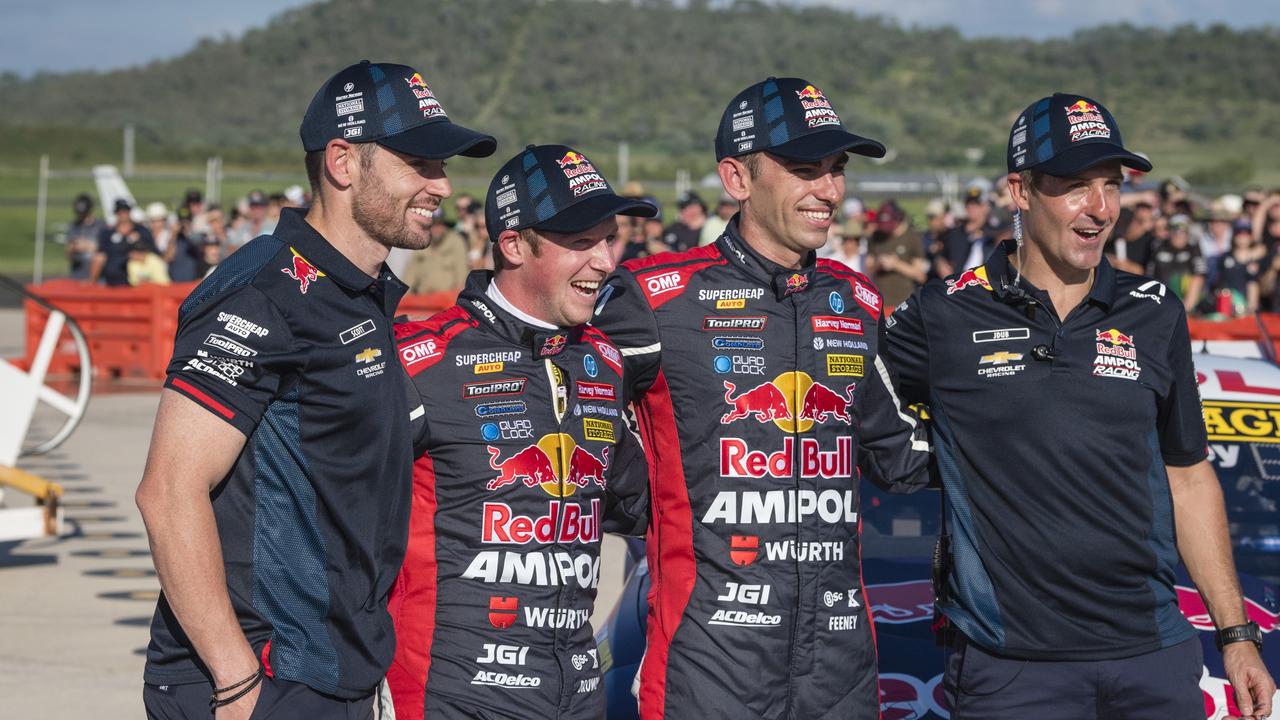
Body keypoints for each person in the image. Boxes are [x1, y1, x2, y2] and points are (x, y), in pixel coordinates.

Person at [885, 93, 1275, 720]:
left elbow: (1189, 475)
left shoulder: (1155, 313)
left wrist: (1235, 637)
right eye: (1075, 186)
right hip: (1008, 668)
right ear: (1020, 190)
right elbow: (847, 419)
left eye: (1111, 185)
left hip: (1153, 657)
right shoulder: (942, 316)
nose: (1100, 208)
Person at [134, 60, 495, 719]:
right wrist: (237, 677)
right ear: (343, 162)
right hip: (263, 678)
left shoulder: (361, 298)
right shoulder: (264, 293)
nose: (441, 185)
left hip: (333, 673)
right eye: (420, 161)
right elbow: (167, 491)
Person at [594, 76, 931, 720]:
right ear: (737, 179)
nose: (830, 190)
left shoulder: (855, 300)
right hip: (709, 662)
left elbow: (898, 453)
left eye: (836, 170)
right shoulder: (656, 297)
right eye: (807, 169)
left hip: (840, 666)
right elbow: (570, 422)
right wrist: (655, 508)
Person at [385, 143, 654, 720]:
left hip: (577, 692)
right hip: (452, 695)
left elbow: (644, 504)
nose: (606, 261)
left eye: (609, 239)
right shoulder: (420, 362)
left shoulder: (604, 362)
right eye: (582, 243)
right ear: (513, 244)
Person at [864, 199, 927, 307]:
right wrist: (879, 264)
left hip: (904, 303)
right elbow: (868, 268)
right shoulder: (876, 237)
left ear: (898, 220)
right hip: (879, 302)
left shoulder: (912, 238)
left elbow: (920, 275)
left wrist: (896, 264)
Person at [400, 210, 470, 293]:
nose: (437, 229)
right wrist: (402, 298)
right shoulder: (421, 242)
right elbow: (409, 275)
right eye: (434, 225)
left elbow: (462, 275)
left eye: (440, 224)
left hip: (447, 299)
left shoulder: (456, 242)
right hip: (423, 298)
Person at [89, 199, 153, 286]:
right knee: (98, 258)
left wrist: (138, 254)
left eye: (125, 211)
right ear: (115, 213)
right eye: (120, 211)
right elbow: (101, 254)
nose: (123, 214)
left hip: (135, 279)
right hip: (111, 278)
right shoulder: (107, 233)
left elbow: (152, 251)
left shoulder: (141, 231)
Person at [66, 193, 106, 279]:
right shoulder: (74, 226)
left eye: (84, 213)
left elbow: (107, 251)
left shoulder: (101, 226)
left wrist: (89, 246)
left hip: (97, 276)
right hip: (77, 274)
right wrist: (73, 248)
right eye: (79, 213)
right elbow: (68, 253)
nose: (82, 216)